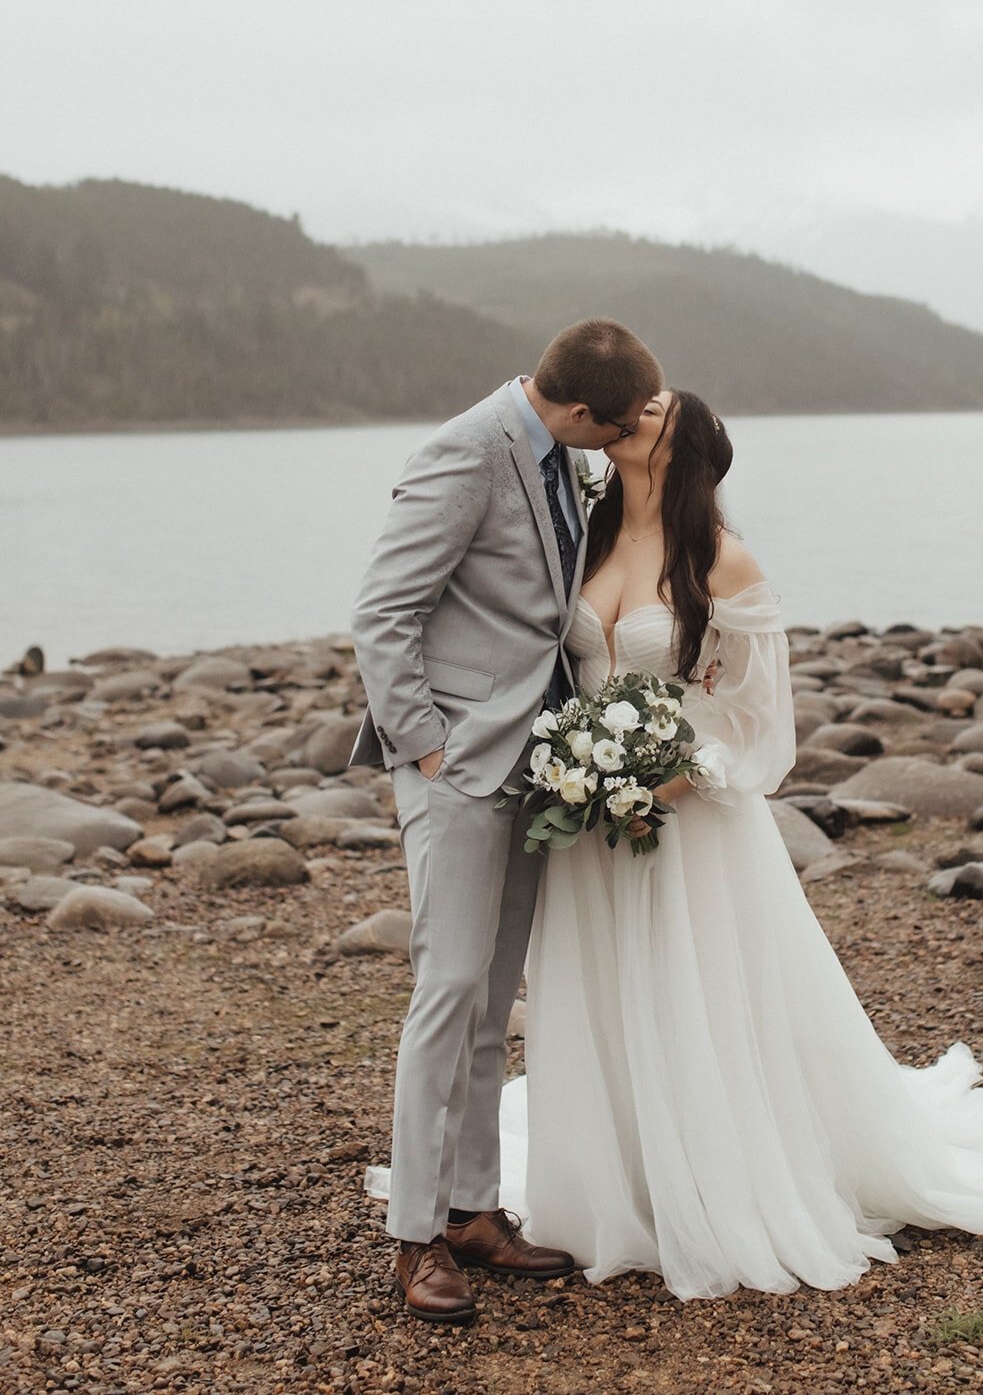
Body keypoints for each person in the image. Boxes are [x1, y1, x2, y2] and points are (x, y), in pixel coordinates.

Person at [495, 388, 983, 1302]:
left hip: (683, 823)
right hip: (592, 824)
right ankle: (619, 1180)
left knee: (697, 994)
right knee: (609, 990)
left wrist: (659, 782)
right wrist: (578, 775)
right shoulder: (587, 542)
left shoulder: (720, 558)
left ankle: (718, 1184)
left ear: (681, 450)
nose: (634, 410)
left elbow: (761, 729)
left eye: (654, 410)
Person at [351, 320, 664, 1323]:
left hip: (532, 771)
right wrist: (426, 746)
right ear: (577, 413)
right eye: (605, 433)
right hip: (457, 771)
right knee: (445, 994)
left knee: (493, 1005)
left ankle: (474, 1208)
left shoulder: (551, 454)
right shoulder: (463, 451)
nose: (607, 450)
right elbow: (383, 611)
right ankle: (413, 1238)